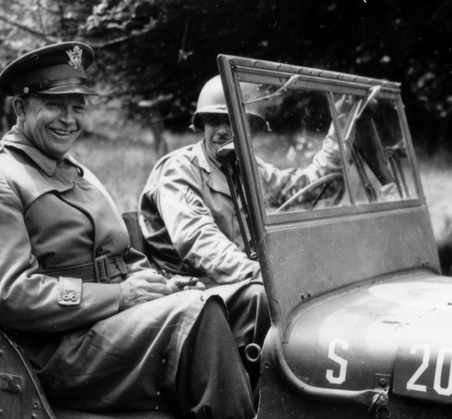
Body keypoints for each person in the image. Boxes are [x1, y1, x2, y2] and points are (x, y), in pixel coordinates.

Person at [0, 42, 256, 419]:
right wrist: (119, 295)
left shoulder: (77, 172)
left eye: (78, 106)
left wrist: (155, 281)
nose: (69, 119)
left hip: (103, 328)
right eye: (55, 105)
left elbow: (120, 255)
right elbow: (10, 296)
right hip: (55, 350)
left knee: (252, 300)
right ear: (20, 108)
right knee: (199, 316)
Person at [139, 75, 337, 288]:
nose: (222, 131)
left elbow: (300, 186)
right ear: (202, 125)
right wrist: (263, 276)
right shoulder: (179, 169)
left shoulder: (246, 166)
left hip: (236, 282)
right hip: (190, 290)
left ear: (249, 130)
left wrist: (341, 128)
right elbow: (199, 240)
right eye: (214, 121)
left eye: (231, 121)